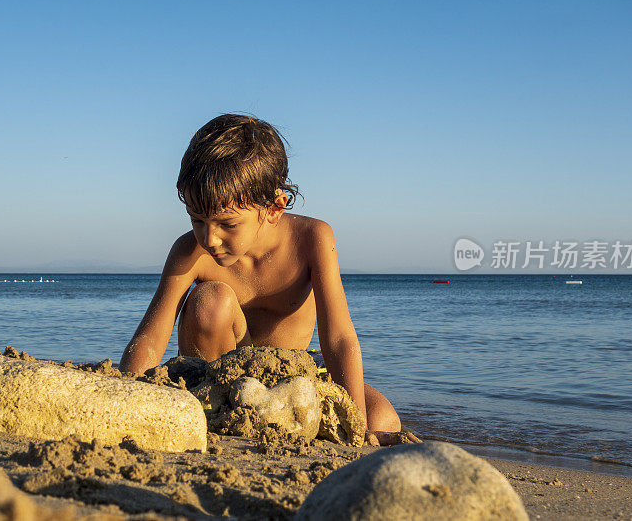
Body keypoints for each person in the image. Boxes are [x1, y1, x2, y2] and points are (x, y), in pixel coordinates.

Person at [120, 114, 419, 446]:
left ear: (275, 207)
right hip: (215, 381)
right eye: (197, 219)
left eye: (227, 224)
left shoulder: (312, 239)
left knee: (383, 419)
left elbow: (338, 337)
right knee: (211, 301)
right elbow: (151, 337)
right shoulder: (189, 252)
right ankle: (216, 417)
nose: (210, 238)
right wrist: (125, 399)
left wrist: (359, 428)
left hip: (292, 378)